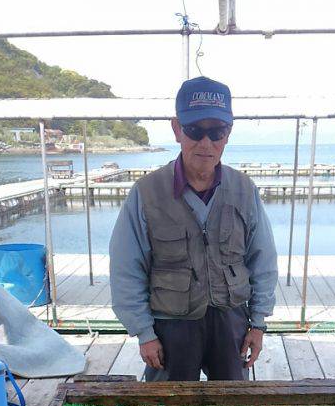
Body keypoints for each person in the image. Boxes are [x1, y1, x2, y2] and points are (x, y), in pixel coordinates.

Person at [109, 76, 278, 381]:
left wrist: (258, 322)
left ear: (228, 133)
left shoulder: (245, 189)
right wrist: (144, 332)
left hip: (232, 322)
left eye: (217, 132)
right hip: (170, 325)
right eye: (194, 130)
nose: (206, 143)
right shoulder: (146, 193)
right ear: (177, 129)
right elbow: (126, 268)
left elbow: (262, 259)